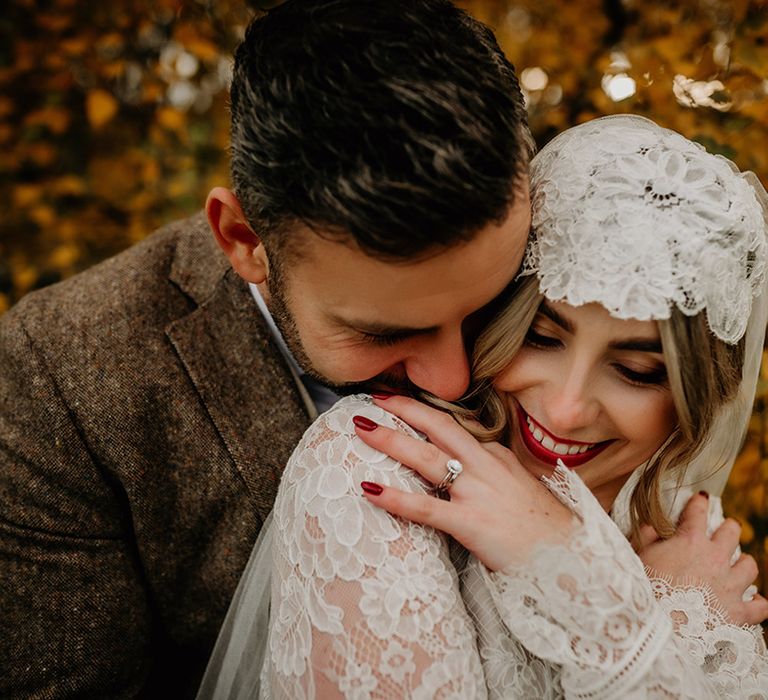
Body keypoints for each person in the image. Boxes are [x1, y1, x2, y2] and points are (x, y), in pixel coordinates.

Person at [0, 2, 534, 697]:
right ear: (245, 242)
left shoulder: (575, 291)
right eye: (381, 332)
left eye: (488, 308)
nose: (458, 376)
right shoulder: (53, 382)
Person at [200, 115, 768, 699]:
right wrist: (637, 632)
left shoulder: (688, 533)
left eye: (636, 372)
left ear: (698, 398)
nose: (567, 408)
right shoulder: (377, 466)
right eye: (542, 337)